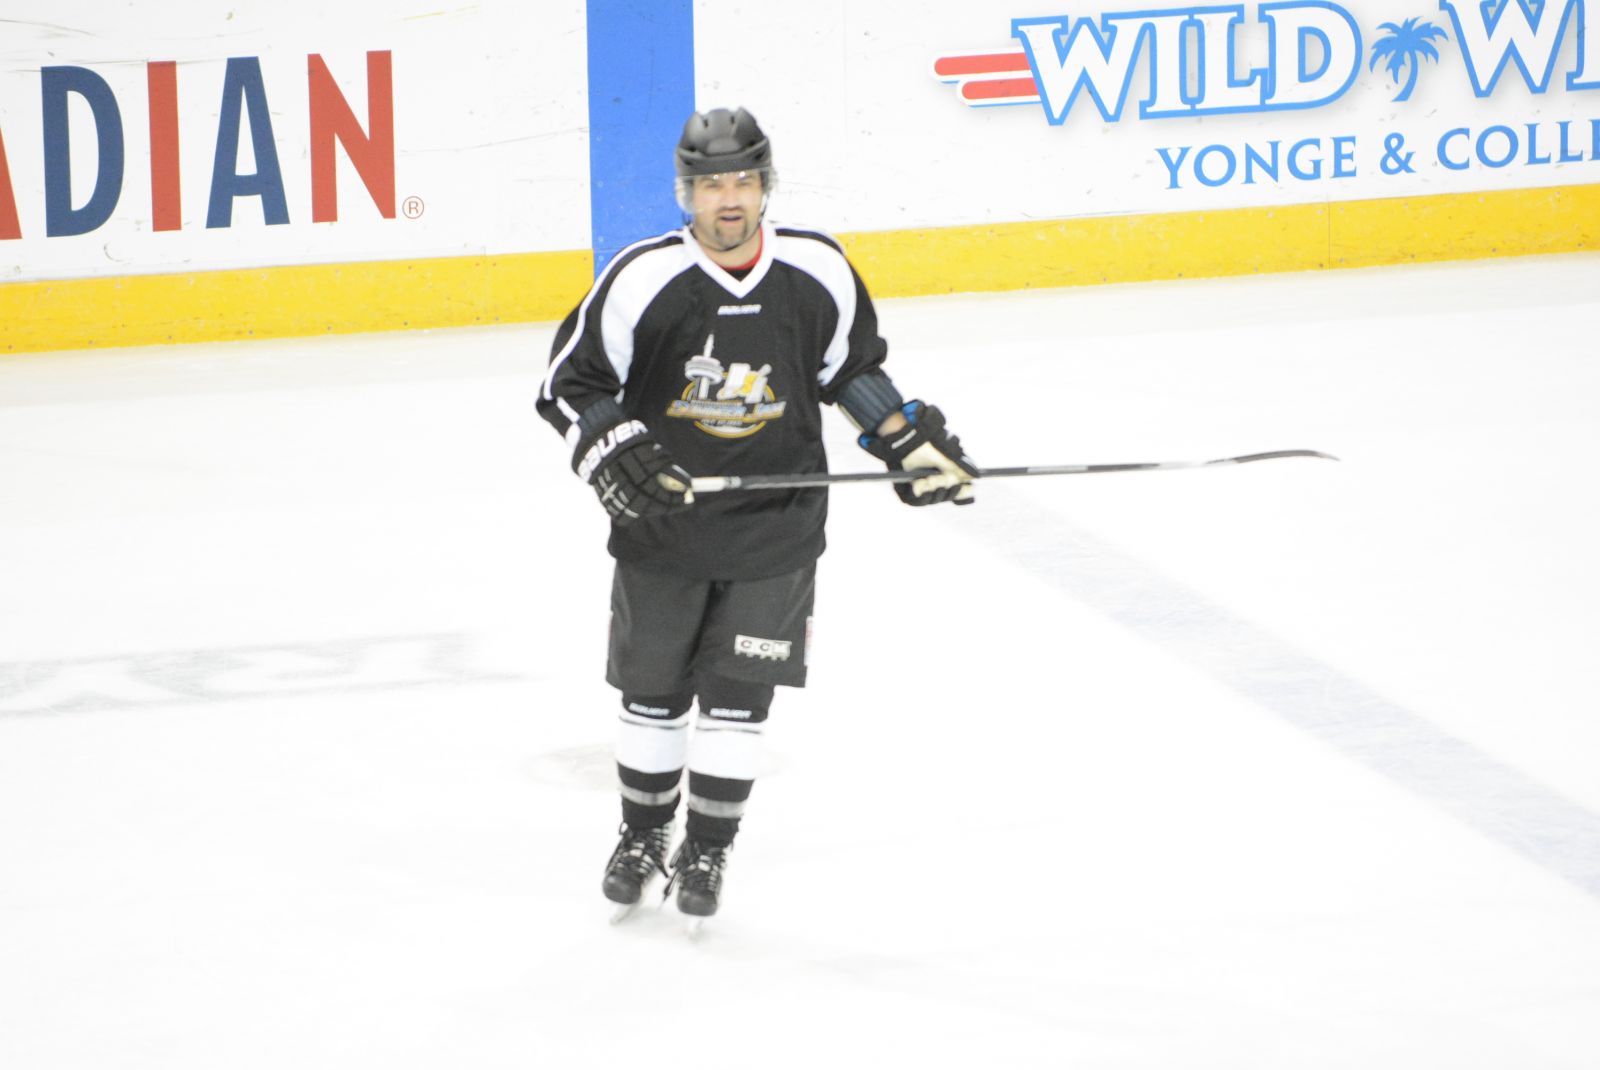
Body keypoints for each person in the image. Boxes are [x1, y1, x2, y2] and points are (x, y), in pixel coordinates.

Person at [537, 106, 978, 921]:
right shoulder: (642, 278)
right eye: (711, 185)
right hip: (663, 527)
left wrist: (904, 441)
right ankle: (643, 836)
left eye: (743, 180)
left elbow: (851, 371)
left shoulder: (817, 269)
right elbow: (568, 386)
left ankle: (708, 848)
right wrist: (616, 447)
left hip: (777, 529)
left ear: (766, 185)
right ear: (686, 194)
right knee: (653, 697)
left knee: (739, 702)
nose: (729, 199)